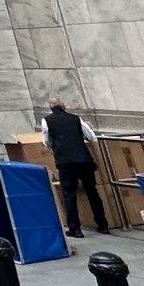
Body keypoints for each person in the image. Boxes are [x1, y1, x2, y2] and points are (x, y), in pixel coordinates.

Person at [43, 98, 111, 237]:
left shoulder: (47, 120)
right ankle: (103, 225)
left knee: (69, 194)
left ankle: (75, 229)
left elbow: (46, 141)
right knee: (92, 192)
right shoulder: (75, 118)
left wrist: (58, 146)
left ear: (51, 108)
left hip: (65, 161)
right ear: (64, 106)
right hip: (84, 159)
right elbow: (91, 136)